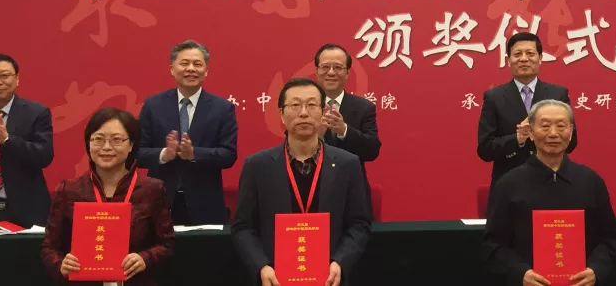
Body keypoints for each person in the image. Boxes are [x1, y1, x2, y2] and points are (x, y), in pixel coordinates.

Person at [232, 77, 372, 286]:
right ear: (281, 114)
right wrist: (262, 266)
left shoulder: (347, 164)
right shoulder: (257, 165)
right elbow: (243, 227)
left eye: (312, 105)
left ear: (323, 112)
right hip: (275, 278)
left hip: (329, 278)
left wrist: (340, 262)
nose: (304, 113)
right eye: (295, 105)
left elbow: (359, 224)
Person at [481, 99, 616, 286]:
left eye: (561, 126)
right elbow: (492, 246)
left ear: (571, 132)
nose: (553, 134)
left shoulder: (591, 181)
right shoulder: (509, 184)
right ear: (530, 132)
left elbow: (610, 239)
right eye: (545, 126)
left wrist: (596, 269)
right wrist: (520, 273)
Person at [41, 107, 175, 286]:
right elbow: (49, 248)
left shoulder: (152, 189)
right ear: (88, 143)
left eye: (116, 140)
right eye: (98, 139)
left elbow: (167, 244)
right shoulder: (69, 190)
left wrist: (145, 258)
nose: (106, 147)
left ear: (131, 145)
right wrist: (60, 264)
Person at [137, 40, 238, 224]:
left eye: (197, 64)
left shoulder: (223, 108)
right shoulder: (153, 105)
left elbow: (228, 155)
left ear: (206, 71)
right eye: (184, 63)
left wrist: (194, 154)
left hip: (205, 204)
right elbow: (137, 152)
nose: (191, 69)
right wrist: (164, 154)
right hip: (160, 200)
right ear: (172, 69)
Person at [478, 32, 577, 187]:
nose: (524, 59)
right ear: (508, 60)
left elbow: (571, 142)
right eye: (517, 54)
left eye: (530, 53)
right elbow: (485, 149)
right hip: (509, 184)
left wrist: (544, 132)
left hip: (551, 180)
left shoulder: (558, 94)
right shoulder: (494, 97)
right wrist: (518, 138)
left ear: (540, 58)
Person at [0, 53, 54, 227]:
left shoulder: (37, 113)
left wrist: (6, 139)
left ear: (17, 79)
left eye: (4, 75)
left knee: (23, 247)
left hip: (26, 209)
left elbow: (43, 156)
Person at [313, 44, 381, 219]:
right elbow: (290, 147)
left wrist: (344, 130)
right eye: (325, 67)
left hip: (351, 193)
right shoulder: (305, 106)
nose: (331, 72)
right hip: (311, 192)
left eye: (338, 67)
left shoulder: (364, 108)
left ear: (348, 73)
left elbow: (372, 150)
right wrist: (316, 136)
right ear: (317, 70)